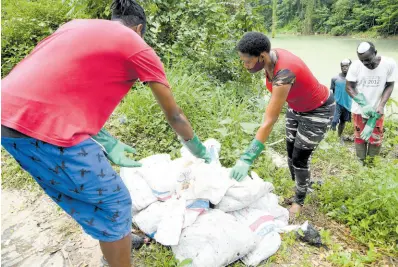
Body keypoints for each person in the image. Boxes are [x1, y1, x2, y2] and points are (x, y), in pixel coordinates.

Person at [1, 1, 211, 266]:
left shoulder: (74, 27)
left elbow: (59, 86)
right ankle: (115, 256)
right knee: (115, 202)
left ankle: (115, 243)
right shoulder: (138, 47)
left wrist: (105, 139)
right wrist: (196, 147)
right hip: (43, 131)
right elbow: (175, 114)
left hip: (7, 114)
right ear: (139, 28)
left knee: (98, 197)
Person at [230, 32, 335, 218]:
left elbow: (269, 120)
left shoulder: (285, 72)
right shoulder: (269, 58)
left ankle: (299, 201)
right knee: (290, 153)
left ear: (261, 56)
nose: (245, 65)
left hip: (318, 110)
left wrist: (247, 157)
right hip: (296, 108)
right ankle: (303, 184)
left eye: (247, 61)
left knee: (299, 158)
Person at [345, 41, 396, 165]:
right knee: (360, 137)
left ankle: (372, 164)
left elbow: (390, 85)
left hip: (377, 110)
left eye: (368, 60)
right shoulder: (356, 66)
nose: (365, 63)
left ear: (375, 53)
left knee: (376, 138)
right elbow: (349, 87)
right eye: (362, 61)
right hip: (359, 110)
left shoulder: (389, 64)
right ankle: (361, 163)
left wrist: (381, 105)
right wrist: (363, 104)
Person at [330, 59, 352, 143]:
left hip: (347, 104)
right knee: (334, 121)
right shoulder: (335, 78)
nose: (344, 68)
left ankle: (339, 137)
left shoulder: (353, 79)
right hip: (337, 103)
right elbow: (332, 90)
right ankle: (332, 136)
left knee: (343, 121)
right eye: (343, 66)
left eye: (346, 66)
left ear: (350, 66)